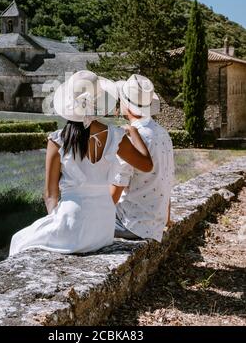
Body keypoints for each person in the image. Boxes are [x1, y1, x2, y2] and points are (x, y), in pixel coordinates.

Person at [9, 71, 153, 255]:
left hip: (73, 223)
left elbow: (50, 194)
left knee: (19, 240)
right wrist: (134, 133)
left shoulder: (58, 140)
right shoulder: (116, 136)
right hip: (104, 228)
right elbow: (147, 165)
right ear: (99, 102)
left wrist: (56, 220)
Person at [111, 74, 174, 242]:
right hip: (155, 224)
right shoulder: (162, 133)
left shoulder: (131, 137)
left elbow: (115, 193)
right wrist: (166, 219)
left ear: (126, 105)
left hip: (132, 224)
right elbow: (166, 179)